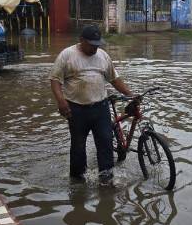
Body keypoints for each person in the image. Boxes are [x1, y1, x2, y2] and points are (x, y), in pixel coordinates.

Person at [49, 25, 134, 186]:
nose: (95, 48)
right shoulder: (67, 55)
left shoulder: (103, 56)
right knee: (78, 145)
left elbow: (114, 79)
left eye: (97, 44)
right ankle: (77, 182)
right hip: (76, 109)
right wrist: (61, 101)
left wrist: (131, 95)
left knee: (106, 142)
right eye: (92, 45)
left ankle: (106, 180)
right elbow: (55, 80)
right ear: (81, 40)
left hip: (100, 108)